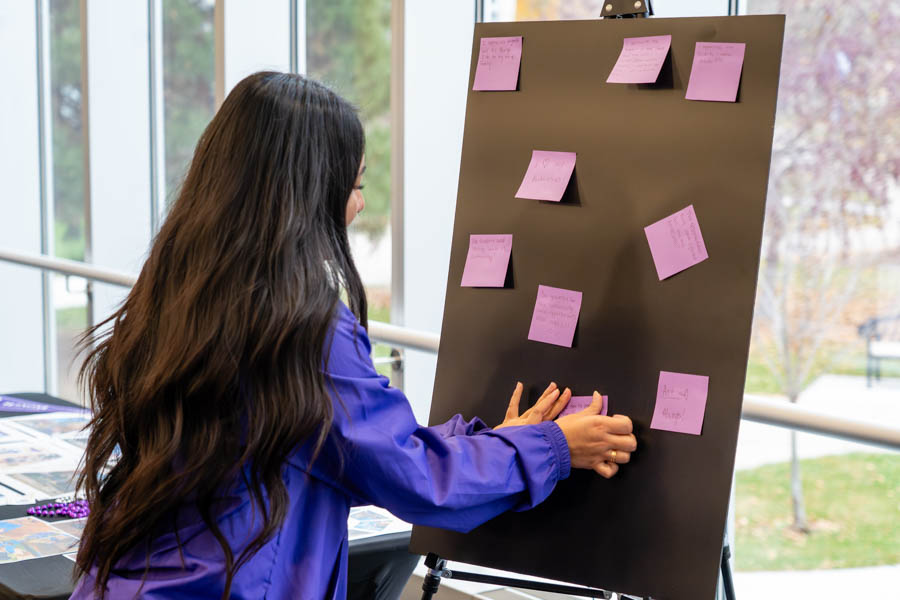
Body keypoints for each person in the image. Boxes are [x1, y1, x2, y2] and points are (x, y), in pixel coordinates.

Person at [70, 71, 637, 600]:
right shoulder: (300, 327)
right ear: (306, 189)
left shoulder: (179, 291)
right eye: (353, 184)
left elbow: (336, 449)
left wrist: (497, 444)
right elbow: (413, 480)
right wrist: (556, 447)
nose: (357, 204)